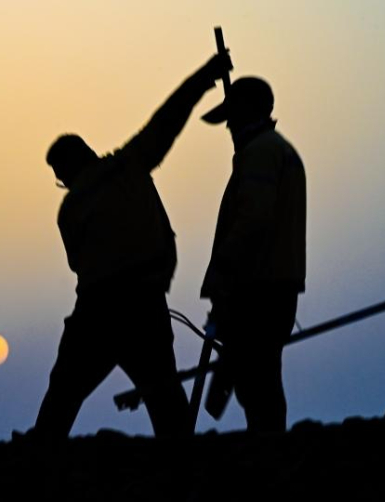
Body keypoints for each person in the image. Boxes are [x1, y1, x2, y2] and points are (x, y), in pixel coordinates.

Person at [33, 53, 233, 441]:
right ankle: (184, 464)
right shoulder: (130, 165)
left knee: (63, 397)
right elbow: (169, 117)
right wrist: (206, 75)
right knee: (165, 400)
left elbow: (76, 262)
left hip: (96, 310)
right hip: (143, 304)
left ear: (64, 175)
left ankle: (38, 459)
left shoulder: (70, 208)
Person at [200, 77, 306, 431]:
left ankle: (268, 447)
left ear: (248, 112)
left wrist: (223, 272)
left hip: (258, 288)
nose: (228, 126)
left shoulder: (260, 153)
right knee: (259, 376)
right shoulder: (275, 150)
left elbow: (253, 220)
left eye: (232, 116)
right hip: (272, 284)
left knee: (256, 379)